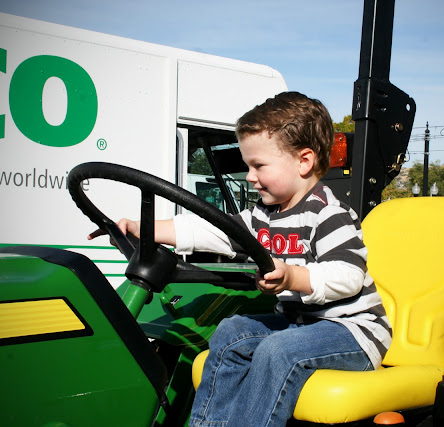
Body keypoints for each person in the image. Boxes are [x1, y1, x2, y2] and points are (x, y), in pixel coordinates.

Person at [90, 91, 391, 426]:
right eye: (248, 165)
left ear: (303, 161)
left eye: (258, 166)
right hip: (299, 325)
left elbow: (348, 276)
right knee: (231, 330)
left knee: (277, 351)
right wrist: (142, 228)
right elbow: (211, 231)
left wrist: (293, 277)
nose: (249, 175)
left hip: (352, 331)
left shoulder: (329, 213)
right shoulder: (262, 216)